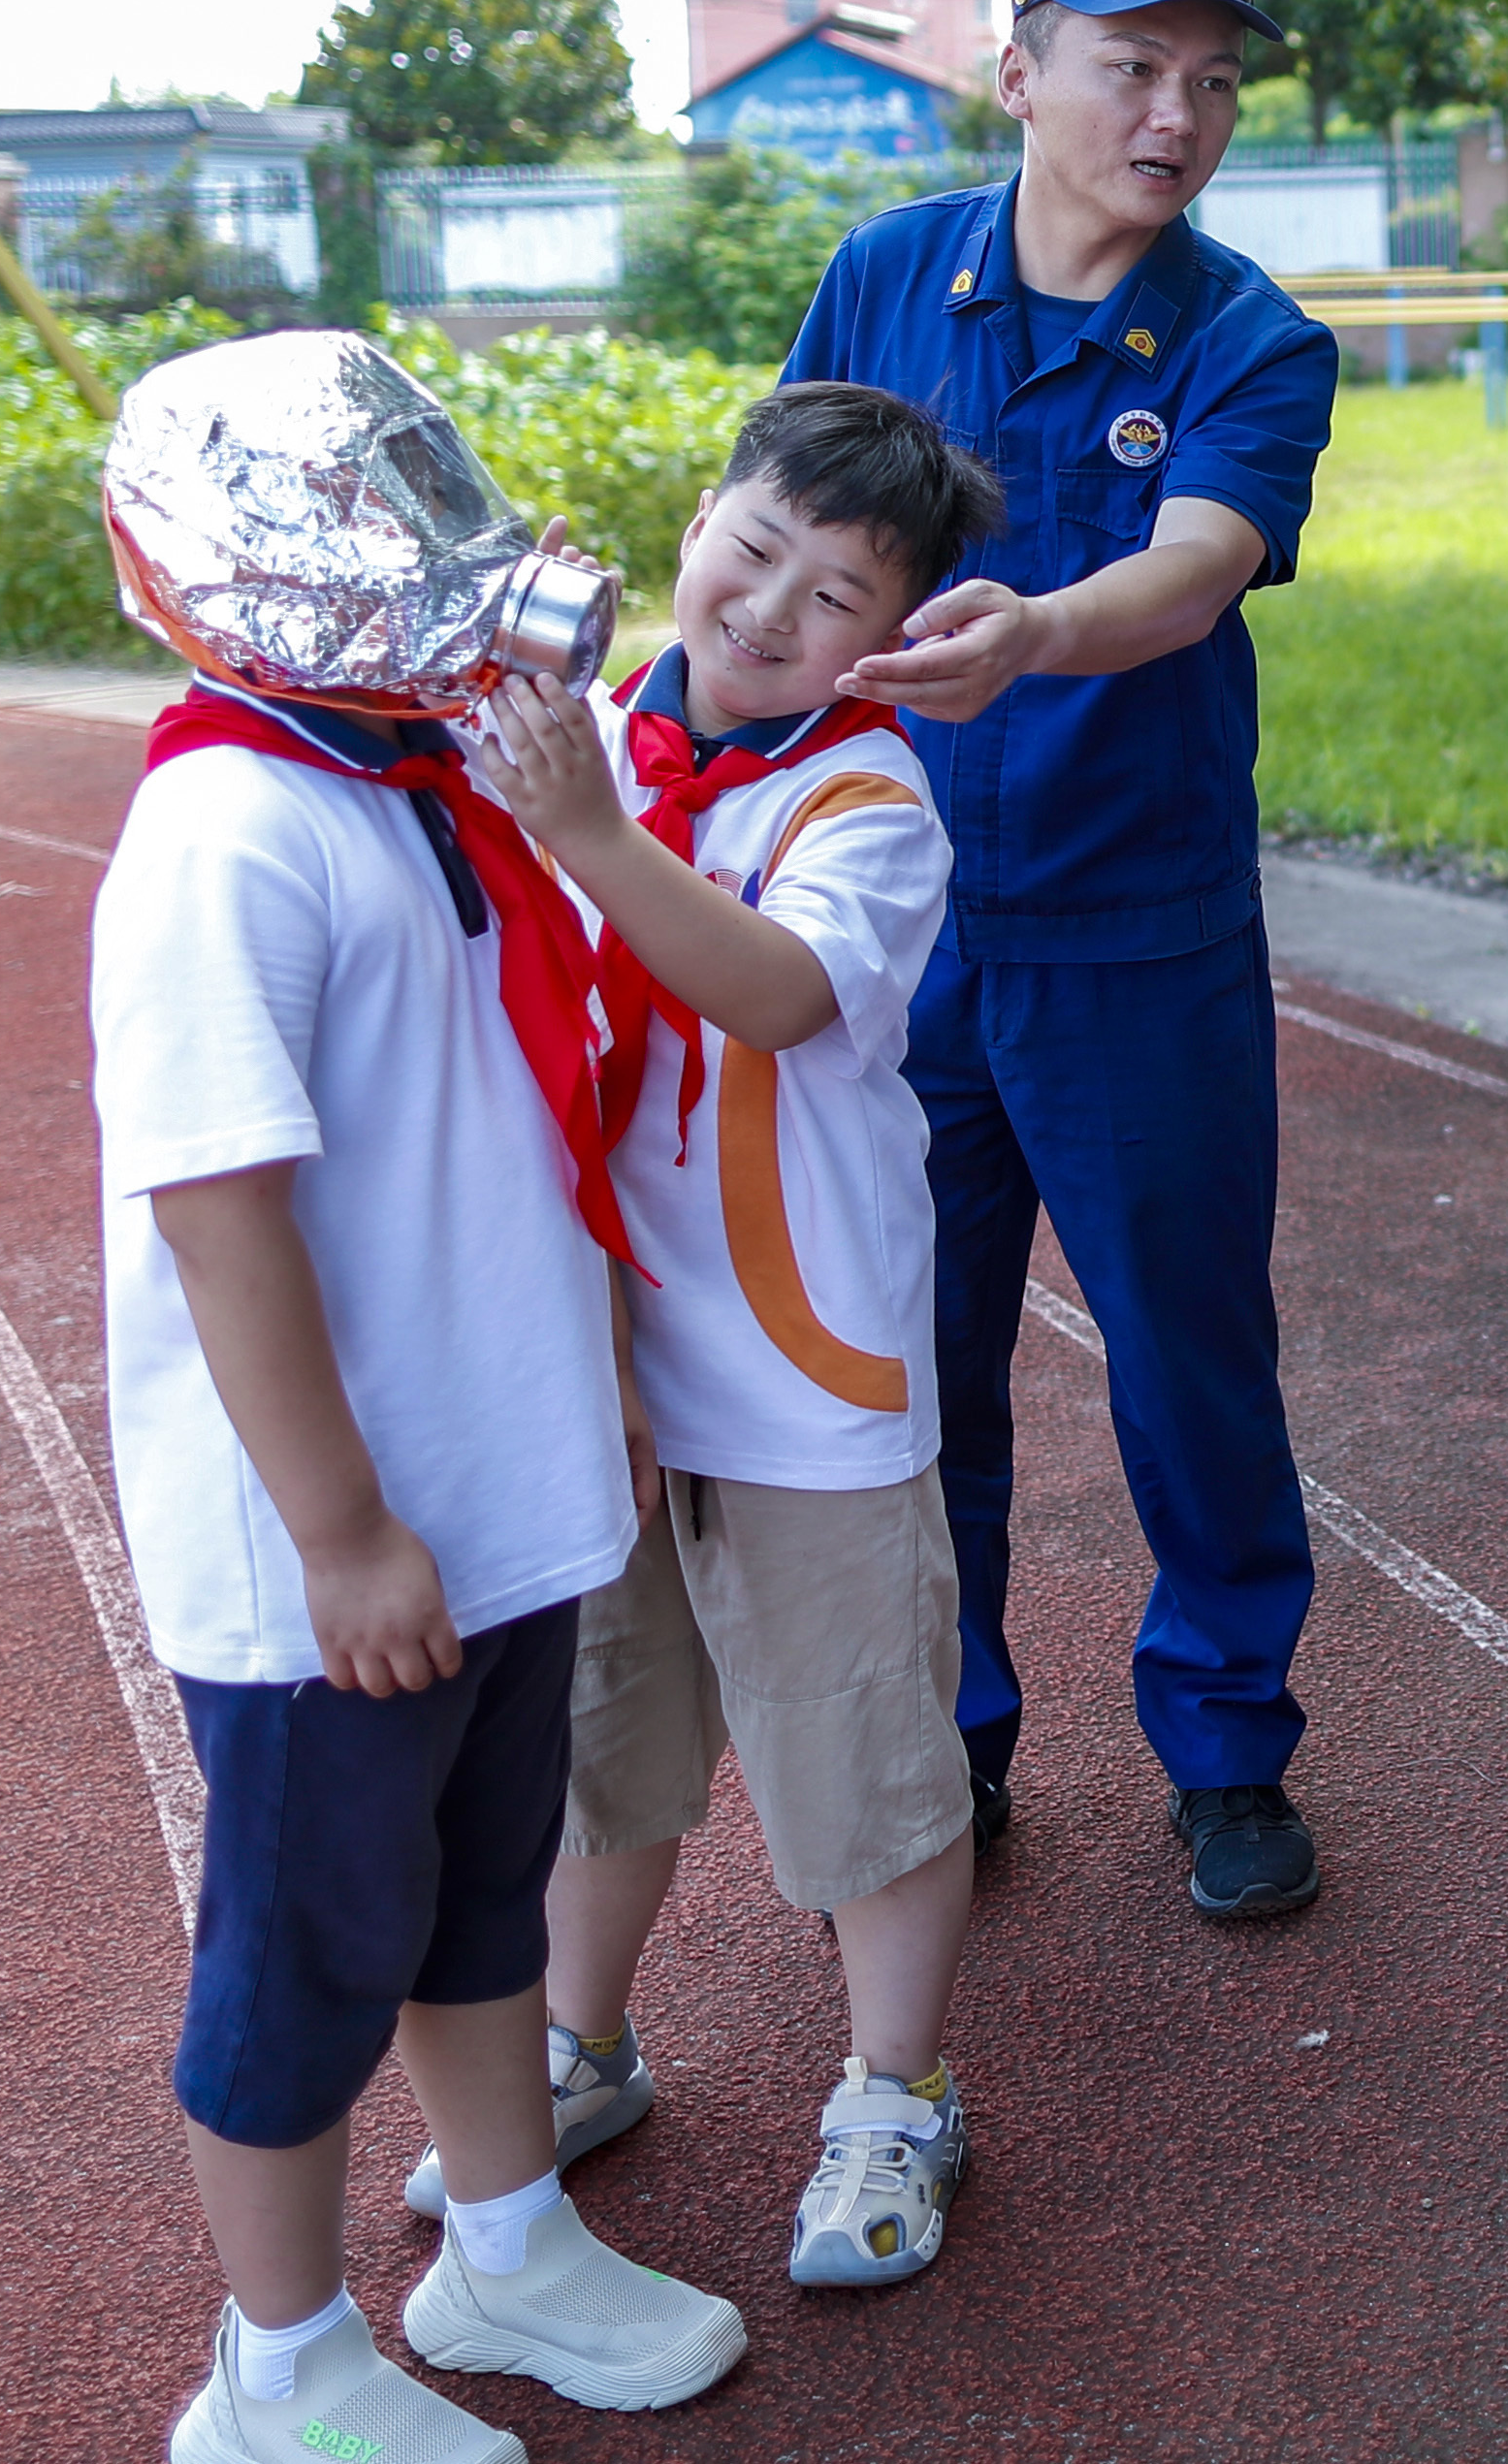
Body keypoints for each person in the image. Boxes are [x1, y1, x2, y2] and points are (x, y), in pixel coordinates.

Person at [103, 645, 745, 2455]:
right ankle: (279, 2364)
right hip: (344, 1541)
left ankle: (508, 2239)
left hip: (498, 1482)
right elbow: (219, 1208)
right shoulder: (228, 822)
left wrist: (592, 1372)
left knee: (482, 1892)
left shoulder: (430, 779)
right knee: (310, 1947)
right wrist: (341, 1526)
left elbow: (527, 1109)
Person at [784, 0, 1338, 1920]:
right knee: (913, 1358)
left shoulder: (1248, 335)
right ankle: (954, 1735)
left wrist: (1032, 632)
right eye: (1130, 67)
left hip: (1138, 931)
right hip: (898, 927)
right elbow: (779, 529)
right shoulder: (886, 277)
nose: (1173, 115)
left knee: (1190, 1358)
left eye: (1207, 78)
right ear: (1017, 73)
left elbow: (1194, 565)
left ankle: (1226, 1743)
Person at [447, 383, 1010, 2292]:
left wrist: (595, 839)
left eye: (837, 593)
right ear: (694, 523)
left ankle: (896, 2087)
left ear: (894, 636)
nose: (771, 612)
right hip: (589, 1359)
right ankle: (583, 2046)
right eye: (753, 550)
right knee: (600, 1741)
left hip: (798, 1373)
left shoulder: (863, 795)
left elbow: (776, 992)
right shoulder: (582, 735)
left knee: (858, 1759)